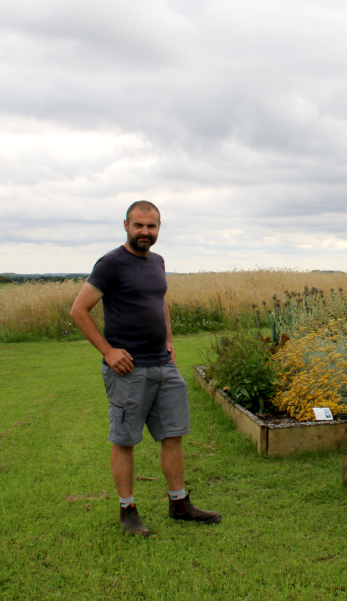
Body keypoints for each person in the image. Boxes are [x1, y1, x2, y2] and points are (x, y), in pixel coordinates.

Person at [70, 200, 221, 537]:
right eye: (138, 226)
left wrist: (169, 340)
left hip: (162, 365)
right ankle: (128, 511)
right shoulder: (110, 263)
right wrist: (108, 351)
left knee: (173, 435)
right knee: (124, 440)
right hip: (128, 369)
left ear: (159, 227)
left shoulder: (157, 262)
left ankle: (179, 504)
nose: (145, 232)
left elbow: (160, 302)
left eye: (151, 226)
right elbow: (79, 310)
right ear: (126, 225)